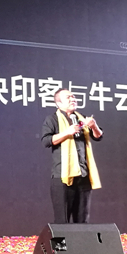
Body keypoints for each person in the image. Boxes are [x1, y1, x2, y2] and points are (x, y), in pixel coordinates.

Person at [41, 89, 104, 223]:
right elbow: (46, 141)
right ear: (59, 103)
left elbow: (98, 136)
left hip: (83, 175)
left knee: (82, 220)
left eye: (73, 96)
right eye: (68, 97)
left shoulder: (82, 118)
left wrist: (94, 126)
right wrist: (67, 132)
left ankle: (81, 238)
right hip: (62, 177)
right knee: (62, 221)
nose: (73, 99)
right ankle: (62, 239)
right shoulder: (52, 119)